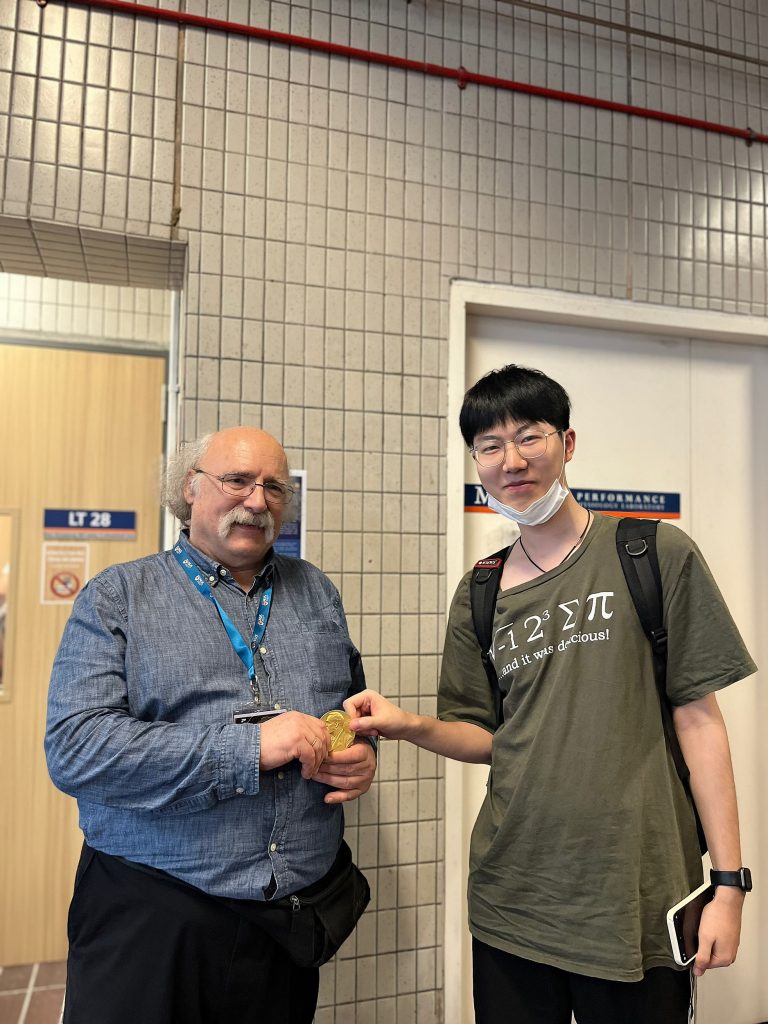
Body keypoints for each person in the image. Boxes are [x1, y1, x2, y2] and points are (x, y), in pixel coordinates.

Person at [345, 364, 755, 1024]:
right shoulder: (479, 592)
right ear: (477, 463)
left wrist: (729, 885)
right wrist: (407, 724)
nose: (511, 460)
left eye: (528, 436)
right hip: (512, 896)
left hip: (636, 897)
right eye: (489, 445)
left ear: (567, 443)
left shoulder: (652, 553)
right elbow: (486, 736)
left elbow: (701, 722)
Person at [45, 427, 376, 1024]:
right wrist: (248, 747)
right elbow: (76, 749)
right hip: (154, 913)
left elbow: (351, 706)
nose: (257, 500)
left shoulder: (316, 592)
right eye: (237, 480)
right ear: (189, 489)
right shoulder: (118, 597)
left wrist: (360, 752)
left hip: (289, 919)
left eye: (274, 487)